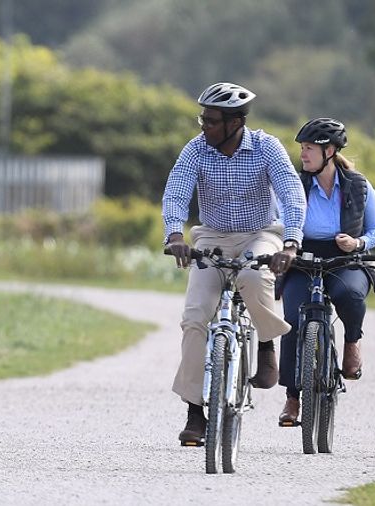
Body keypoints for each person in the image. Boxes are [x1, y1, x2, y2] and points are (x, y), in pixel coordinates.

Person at [162, 82, 307, 445]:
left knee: (253, 278)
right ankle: (195, 412)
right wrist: (175, 236)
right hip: (212, 236)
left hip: (261, 233)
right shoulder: (196, 149)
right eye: (203, 119)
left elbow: (291, 193)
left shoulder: (265, 147)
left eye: (211, 121)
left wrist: (290, 243)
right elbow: (177, 190)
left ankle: (266, 346)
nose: (204, 126)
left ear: (235, 122)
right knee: (195, 316)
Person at [278, 118, 375, 425]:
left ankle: (352, 342)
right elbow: (278, 218)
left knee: (349, 294)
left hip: (345, 259)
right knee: (293, 321)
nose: (303, 154)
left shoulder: (359, 185)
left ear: (330, 151)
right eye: (302, 148)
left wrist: (358, 242)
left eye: (309, 148)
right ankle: (292, 398)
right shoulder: (295, 185)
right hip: (303, 257)